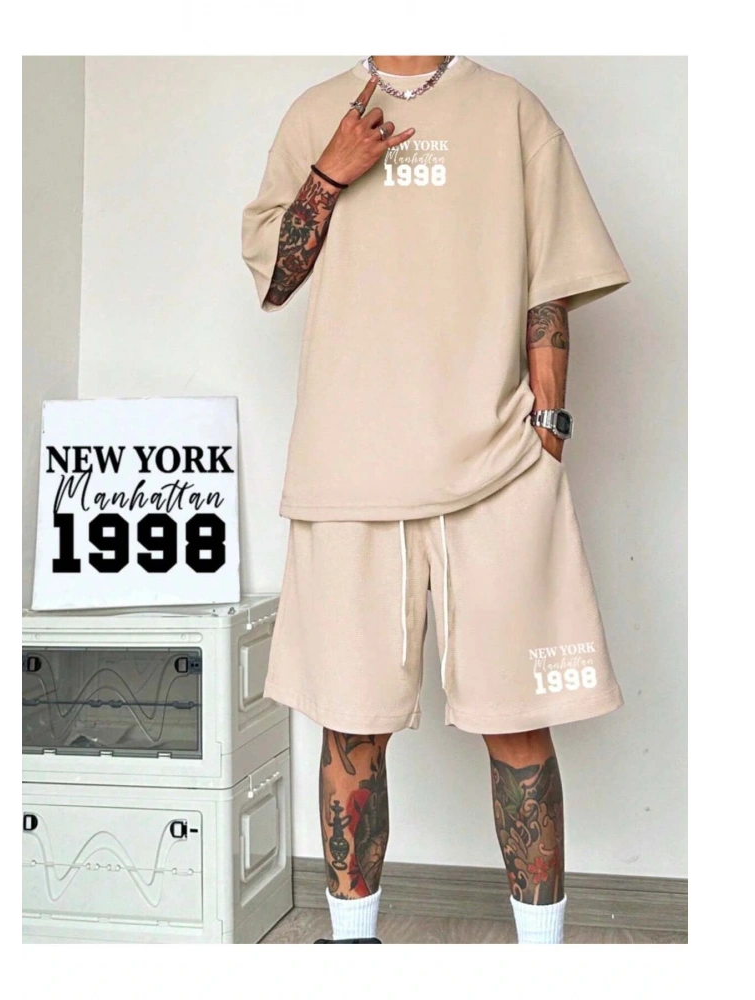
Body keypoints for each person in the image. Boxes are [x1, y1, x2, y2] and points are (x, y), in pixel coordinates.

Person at [242, 55, 630, 945]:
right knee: (351, 728)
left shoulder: (510, 109)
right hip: (348, 466)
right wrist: (330, 171)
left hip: (498, 463)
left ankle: (542, 960)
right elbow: (276, 278)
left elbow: (551, 276)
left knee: (517, 722)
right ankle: (353, 950)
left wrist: (551, 424)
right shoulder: (316, 112)